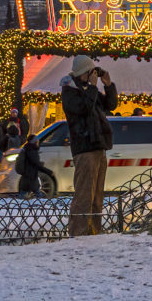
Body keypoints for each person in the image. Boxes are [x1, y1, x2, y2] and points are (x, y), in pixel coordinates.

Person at [59, 55, 117, 236]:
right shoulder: (70, 91)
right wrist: (92, 87)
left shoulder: (88, 90)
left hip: (99, 146)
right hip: (85, 147)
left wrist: (108, 85)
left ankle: (94, 231)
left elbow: (111, 105)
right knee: (84, 194)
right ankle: (79, 233)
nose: (93, 75)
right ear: (83, 72)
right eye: (90, 71)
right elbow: (83, 108)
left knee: (97, 195)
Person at [15, 133, 45, 198]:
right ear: (35, 142)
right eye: (37, 141)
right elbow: (34, 162)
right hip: (30, 178)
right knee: (37, 193)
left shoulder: (26, 148)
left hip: (27, 177)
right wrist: (48, 171)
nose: (38, 143)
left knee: (24, 194)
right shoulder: (31, 150)